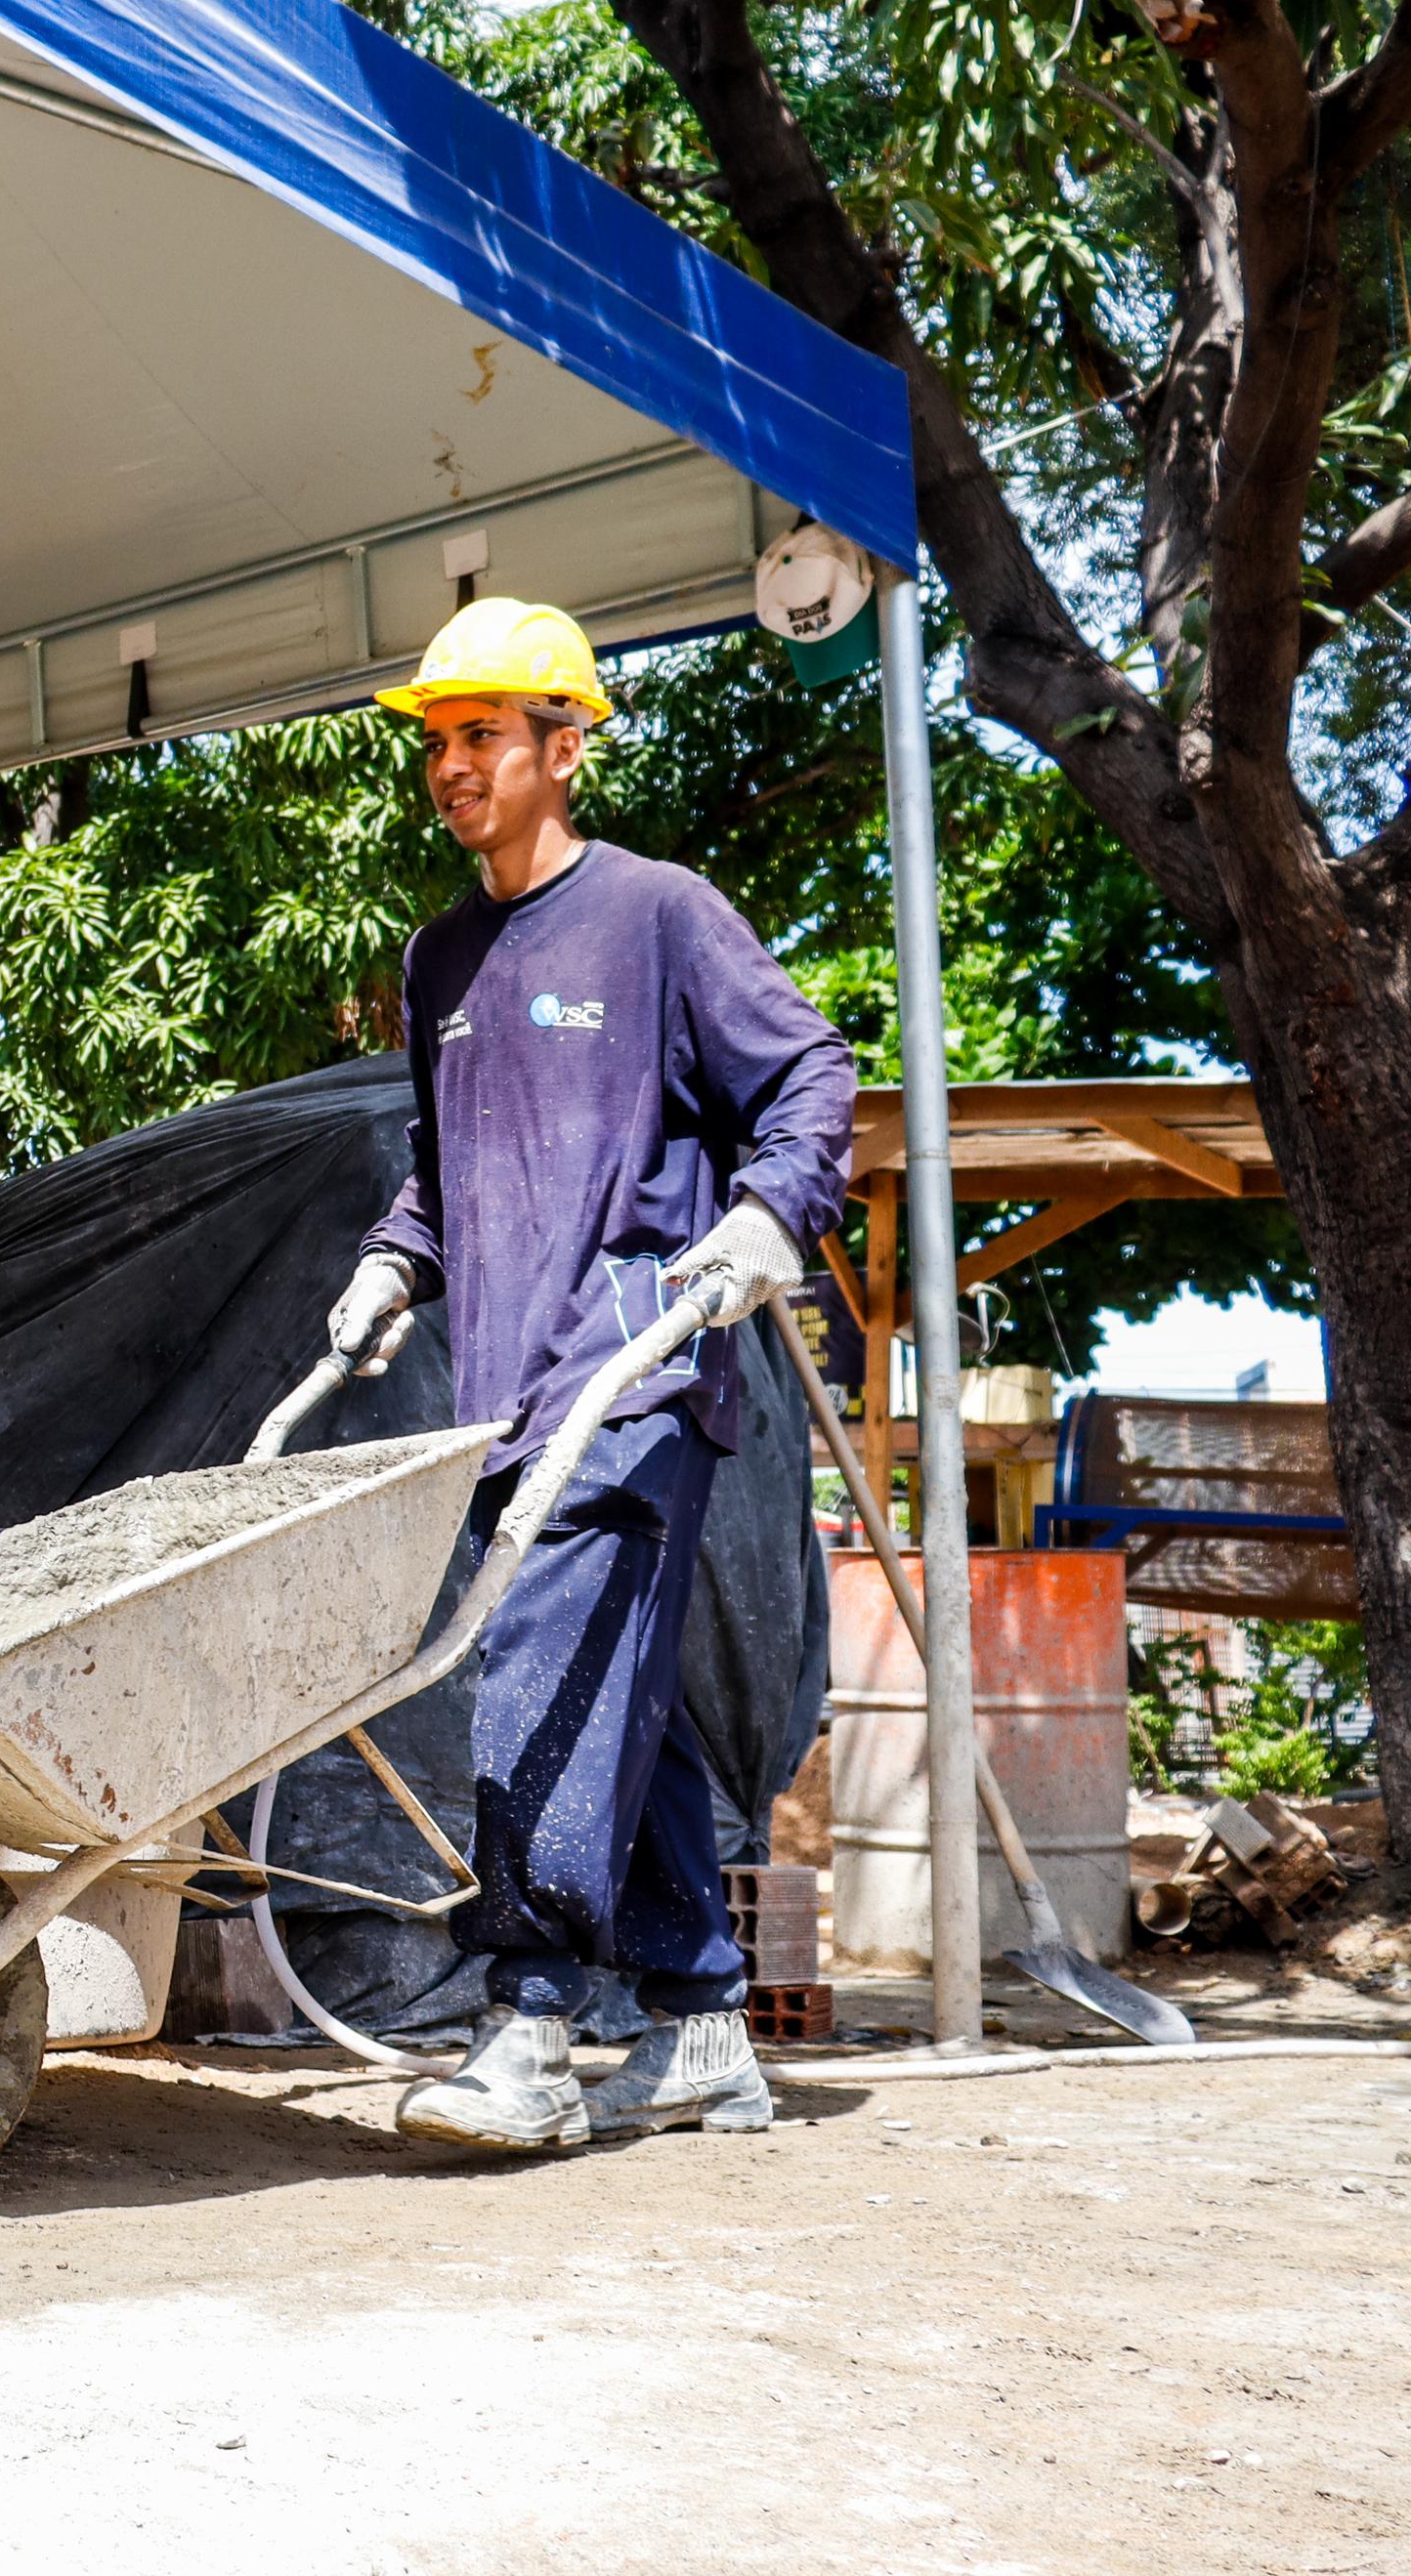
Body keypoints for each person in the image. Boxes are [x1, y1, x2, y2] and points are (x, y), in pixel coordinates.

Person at [325, 599, 854, 2152]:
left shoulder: (660, 915)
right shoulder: (444, 961)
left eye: (481, 734)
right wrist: (391, 1260)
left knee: (543, 1673)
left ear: (566, 748)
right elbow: (439, 1164)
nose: (450, 764)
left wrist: (767, 1214)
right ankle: (701, 2024)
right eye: (438, 739)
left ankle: (532, 2023)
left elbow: (809, 1070)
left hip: (634, 1370)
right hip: (503, 1389)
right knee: (627, 1696)